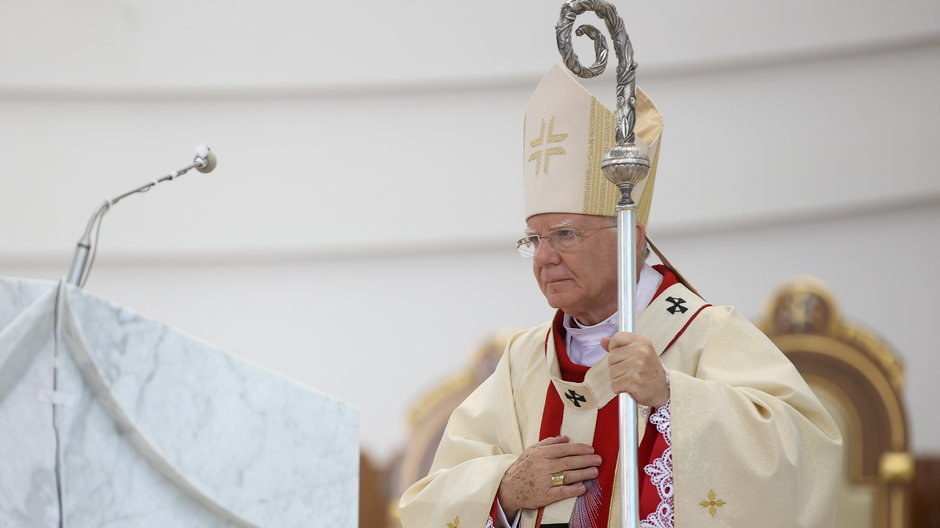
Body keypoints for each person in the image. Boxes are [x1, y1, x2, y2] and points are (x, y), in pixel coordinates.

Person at [399, 64, 842, 528]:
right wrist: (505, 488)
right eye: (534, 239)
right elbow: (429, 500)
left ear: (630, 237)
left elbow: (807, 451)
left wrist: (672, 397)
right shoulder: (523, 361)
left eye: (565, 235)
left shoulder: (706, 333)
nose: (544, 257)